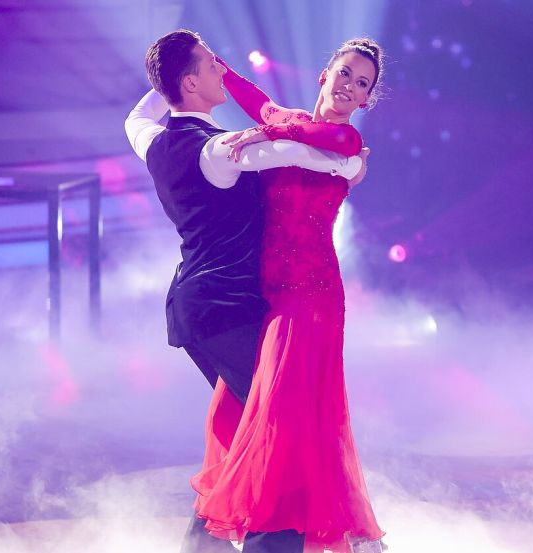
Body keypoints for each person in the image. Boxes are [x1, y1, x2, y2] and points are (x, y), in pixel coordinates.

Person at [123, 29, 365, 553]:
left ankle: (203, 543)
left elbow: (134, 119)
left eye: (361, 81)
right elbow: (289, 153)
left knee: (244, 420)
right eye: (211, 68)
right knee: (285, 427)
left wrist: (166, 85)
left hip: (200, 308)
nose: (221, 73)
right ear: (190, 83)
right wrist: (347, 164)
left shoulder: (152, 137)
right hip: (227, 308)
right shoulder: (220, 149)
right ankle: (270, 541)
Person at [190, 39, 387, 553]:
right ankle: (231, 528)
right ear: (325, 74)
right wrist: (218, 68)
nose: (349, 86)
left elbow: (291, 128)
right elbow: (261, 103)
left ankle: (281, 528)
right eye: (345, 73)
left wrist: (264, 130)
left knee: (282, 411)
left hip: (311, 297)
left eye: (361, 83)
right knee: (230, 408)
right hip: (266, 291)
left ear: (366, 99)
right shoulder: (294, 120)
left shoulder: (341, 139)